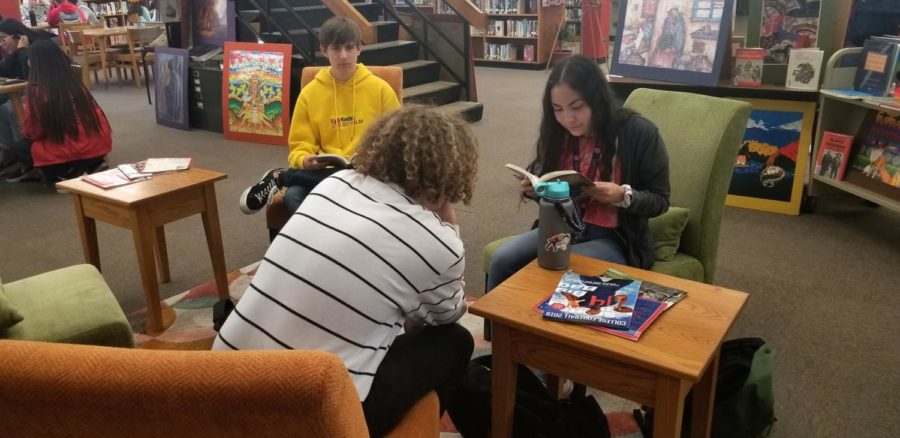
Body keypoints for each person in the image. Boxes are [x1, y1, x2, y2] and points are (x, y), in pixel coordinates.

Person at [214, 105, 479, 437]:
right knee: (455, 341)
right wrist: (448, 223)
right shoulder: (436, 241)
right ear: (453, 174)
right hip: (311, 417)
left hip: (221, 383)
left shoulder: (334, 183)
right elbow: (446, 315)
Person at [487, 54, 670, 292]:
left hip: (615, 238)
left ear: (598, 99)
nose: (567, 119)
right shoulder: (558, 133)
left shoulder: (638, 133)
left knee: (561, 268)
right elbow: (552, 188)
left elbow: (661, 201)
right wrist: (536, 190)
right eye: (557, 109)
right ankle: (496, 329)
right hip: (562, 228)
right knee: (502, 259)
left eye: (577, 107)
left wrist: (621, 195)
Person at [238, 16, 400, 215]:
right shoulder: (310, 94)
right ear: (324, 50)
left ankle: (282, 177)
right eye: (336, 48)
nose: (343, 56)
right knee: (293, 196)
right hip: (323, 172)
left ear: (359, 48)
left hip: (369, 173)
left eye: (349, 48)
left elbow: (398, 138)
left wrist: (372, 156)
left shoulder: (381, 89)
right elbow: (299, 144)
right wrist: (305, 160)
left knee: (349, 177)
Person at [4, 40, 110, 186]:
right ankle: (90, 164)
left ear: (34, 63)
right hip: (99, 144)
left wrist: (25, 131)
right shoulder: (74, 83)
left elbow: (33, 131)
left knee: (17, 149)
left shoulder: (38, 91)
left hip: (70, 149)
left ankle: (69, 171)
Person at [0, 19, 53, 179]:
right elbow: (4, 70)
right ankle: (12, 153)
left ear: (18, 37)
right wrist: (16, 52)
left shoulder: (36, 48)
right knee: (2, 106)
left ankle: (24, 155)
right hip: (29, 93)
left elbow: (32, 77)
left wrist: (22, 51)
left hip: (46, 96)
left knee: (9, 109)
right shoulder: (15, 52)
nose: (1, 44)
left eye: (3, 39)